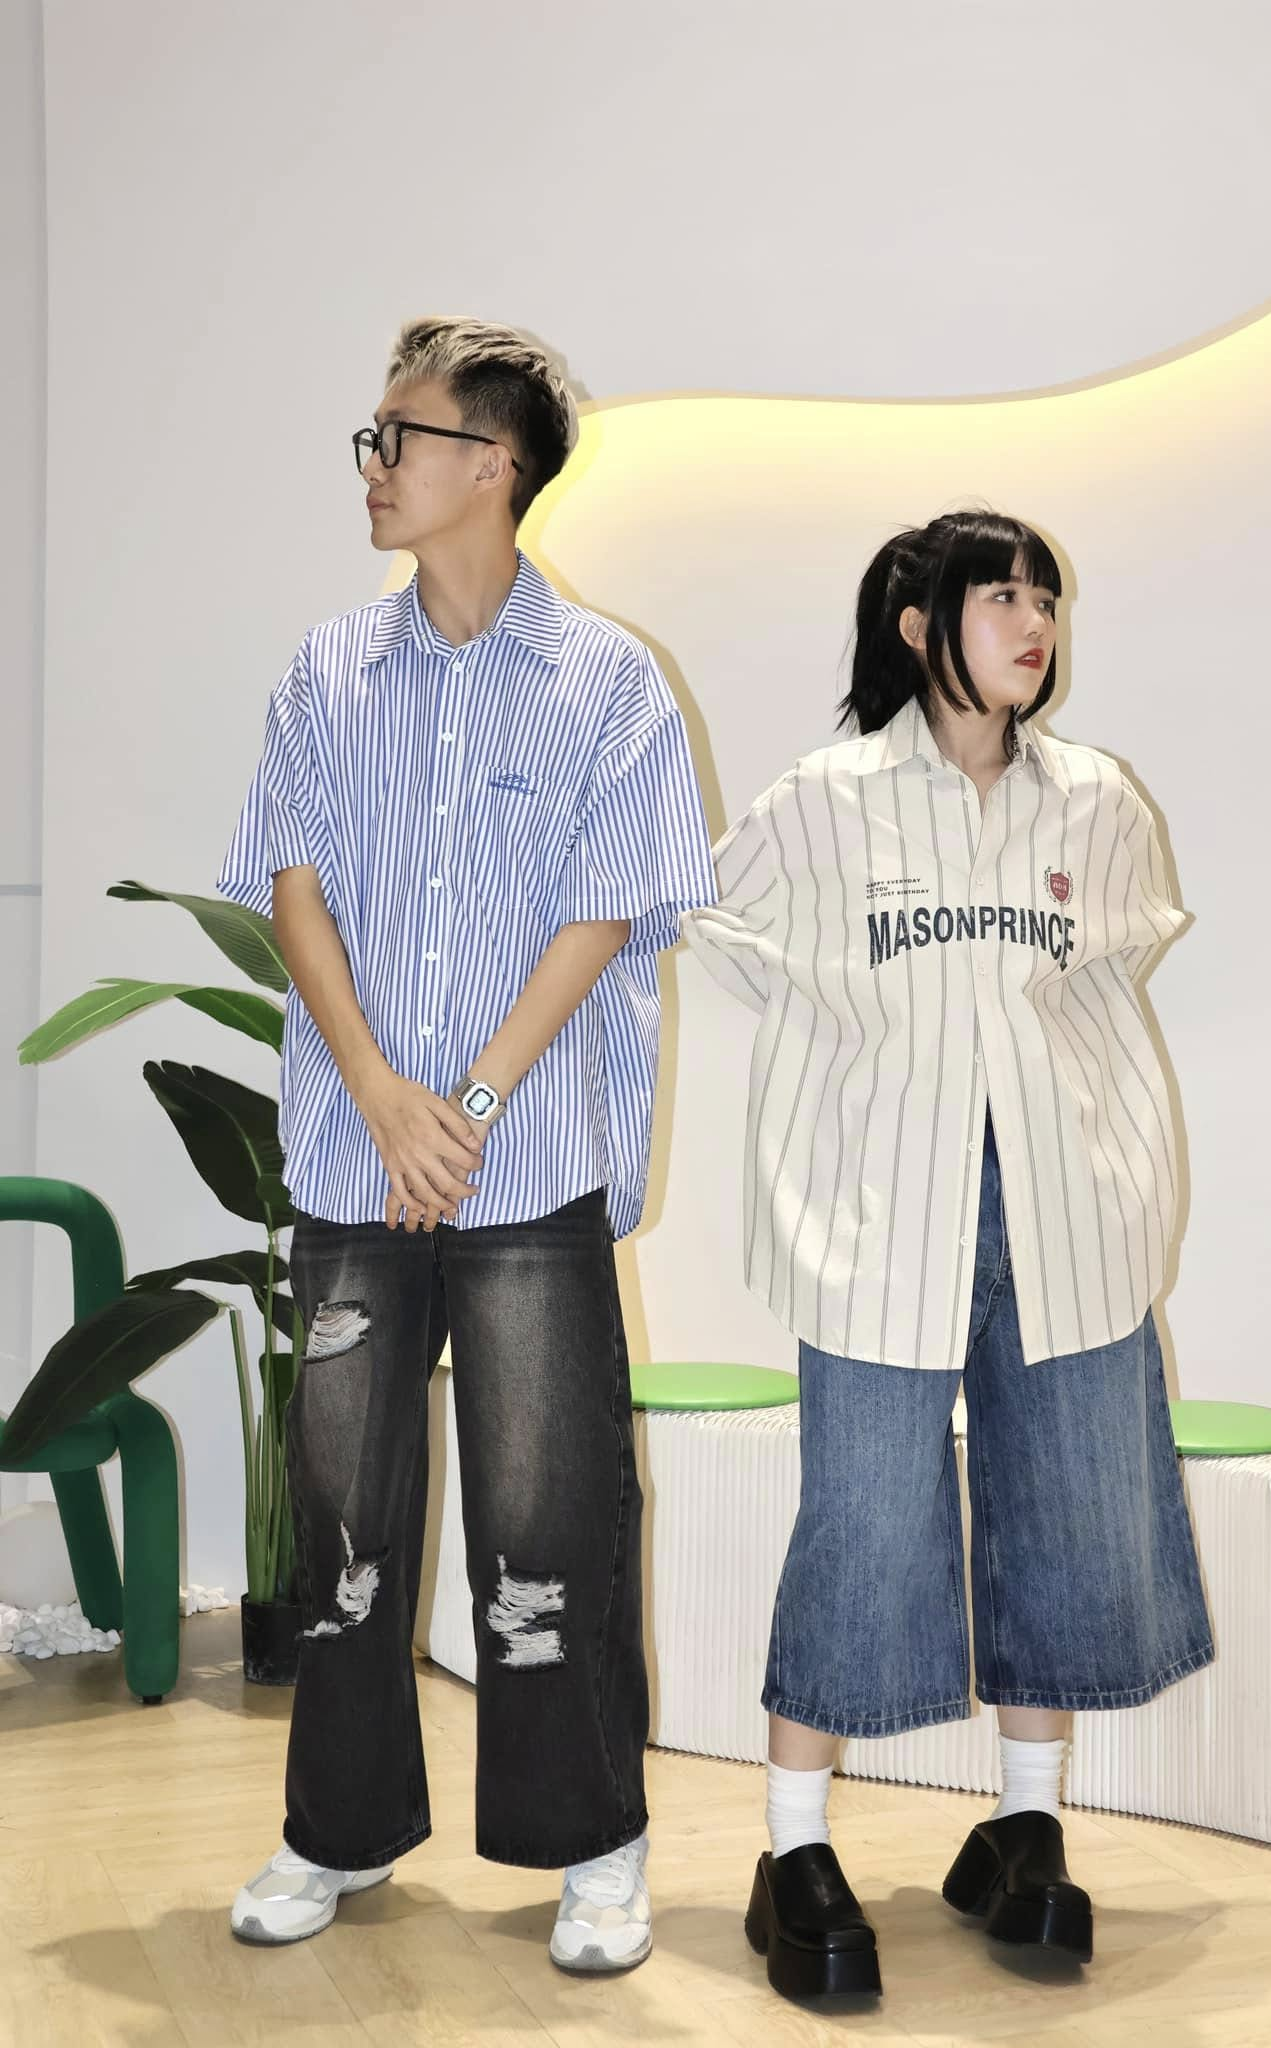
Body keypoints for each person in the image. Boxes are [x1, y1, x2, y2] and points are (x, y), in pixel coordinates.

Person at [217, 317, 714, 1970]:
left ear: (491, 465)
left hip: (530, 1155)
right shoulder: (324, 670)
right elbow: (293, 883)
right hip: (356, 1155)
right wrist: (377, 1090)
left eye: (398, 435)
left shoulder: (608, 680)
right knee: (344, 1519)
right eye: (371, 436)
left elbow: (602, 913)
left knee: (550, 1515)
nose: (371, 464)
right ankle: (337, 1829)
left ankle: (595, 1846)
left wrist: (472, 1106)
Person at [681, 510, 1214, 2000]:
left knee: (1068, 1523)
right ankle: (793, 1850)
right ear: (920, 626)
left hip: (1065, 1219)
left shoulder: (1095, 802)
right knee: (859, 1530)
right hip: (880, 1226)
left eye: (1047, 597)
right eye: (1002, 596)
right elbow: (725, 938)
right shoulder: (823, 801)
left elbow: (1108, 978)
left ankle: (1026, 1832)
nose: (1035, 623)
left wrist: (1105, 1162)